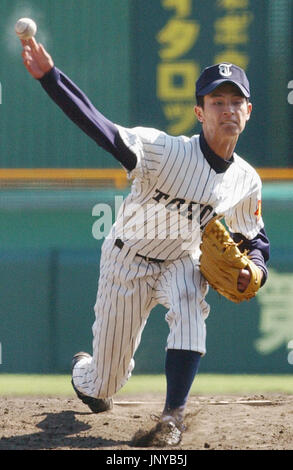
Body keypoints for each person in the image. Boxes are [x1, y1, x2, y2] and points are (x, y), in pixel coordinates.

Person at [20, 38, 270, 447]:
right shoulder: (164, 151)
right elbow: (100, 128)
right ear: (199, 112)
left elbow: (255, 237)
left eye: (235, 101)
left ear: (248, 111)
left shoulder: (245, 179)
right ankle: (87, 371)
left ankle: (172, 416)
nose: (227, 109)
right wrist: (51, 78)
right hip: (128, 261)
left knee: (191, 307)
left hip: (180, 260)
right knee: (104, 384)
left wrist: (256, 268)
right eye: (216, 101)